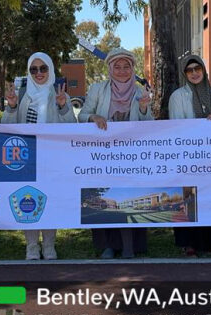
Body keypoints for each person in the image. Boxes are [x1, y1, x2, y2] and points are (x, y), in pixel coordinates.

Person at [78, 47, 152, 259]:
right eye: (117, 66)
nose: (121, 70)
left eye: (126, 66)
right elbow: (82, 116)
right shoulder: (97, 89)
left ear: (132, 68)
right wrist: (93, 117)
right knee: (102, 198)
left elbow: (150, 126)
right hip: (101, 156)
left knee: (128, 197)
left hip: (131, 157)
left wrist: (145, 108)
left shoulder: (140, 92)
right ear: (110, 68)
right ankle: (107, 246)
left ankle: (130, 246)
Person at [2, 52, 76, 260]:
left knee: (49, 199)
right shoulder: (23, 96)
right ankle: (32, 246)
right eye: (33, 69)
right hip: (27, 158)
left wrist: (62, 107)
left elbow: (71, 128)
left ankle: (50, 245)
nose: (39, 73)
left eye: (43, 68)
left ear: (50, 70)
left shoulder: (60, 94)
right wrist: (11, 106)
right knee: (28, 199)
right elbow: (7, 128)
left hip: (53, 159)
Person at [168, 54, 211, 257]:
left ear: (204, 70)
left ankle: (210, 243)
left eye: (198, 69)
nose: (194, 73)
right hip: (188, 156)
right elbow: (176, 126)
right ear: (184, 73)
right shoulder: (178, 96)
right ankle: (189, 244)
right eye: (190, 70)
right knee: (189, 199)